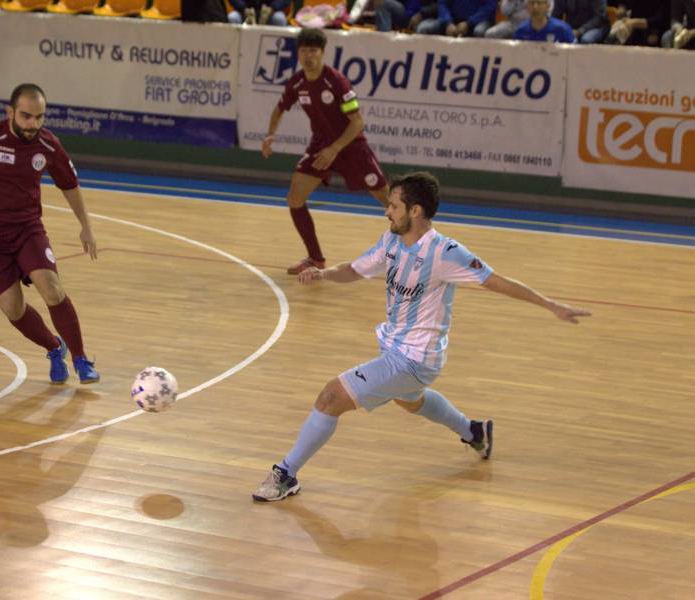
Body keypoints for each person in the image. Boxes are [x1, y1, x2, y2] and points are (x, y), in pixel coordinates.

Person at [252, 172, 591, 502]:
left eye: (393, 206)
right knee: (410, 401)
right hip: (392, 346)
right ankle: (474, 432)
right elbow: (356, 269)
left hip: (415, 358)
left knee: (330, 397)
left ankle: (286, 473)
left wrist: (549, 305)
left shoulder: (444, 252)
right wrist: (324, 273)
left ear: (415, 211)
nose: (386, 211)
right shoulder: (391, 241)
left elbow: (496, 281)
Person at [0, 83, 100, 385]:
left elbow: (69, 185)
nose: (32, 124)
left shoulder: (48, 145)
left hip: (27, 230)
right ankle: (54, 347)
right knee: (12, 308)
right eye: (26, 116)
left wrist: (86, 226)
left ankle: (81, 359)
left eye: (39, 117)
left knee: (51, 288)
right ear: (10, 112)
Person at [262, 28, 389, 275]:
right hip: (320, 146)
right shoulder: (297, 82)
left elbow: (357, 122)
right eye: (303, 51)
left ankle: (422, 251)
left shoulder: (336, 81)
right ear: (298, 54)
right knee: (295, 198)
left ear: (322, 53)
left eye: (313, 51)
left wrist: (335, 148)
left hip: (351, 147)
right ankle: (315, 258)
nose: (308, 56)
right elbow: (279, 109)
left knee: (388, 201)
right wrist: (270, 135)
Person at [421, 0, 497, 38]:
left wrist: (469, 23)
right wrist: (448, 23)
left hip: (478, 21)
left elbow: (490, 7)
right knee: (424, 28)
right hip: (451, 21)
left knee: (479, 31)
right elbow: (442, 4)